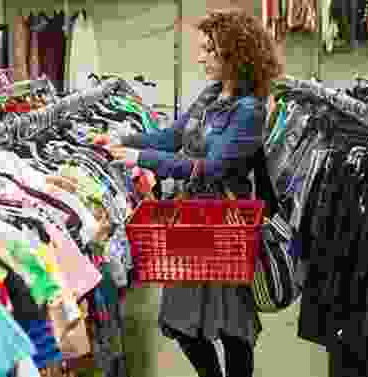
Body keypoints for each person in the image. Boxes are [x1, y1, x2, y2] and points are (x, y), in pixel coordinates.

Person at [109, 9, 282, 377]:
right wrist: (120, 141)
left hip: (228, 224)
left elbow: (211, 167)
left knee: (233, 327)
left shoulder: (249, 110)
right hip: (190, 219)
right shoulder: (209, 95)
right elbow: (173, 137)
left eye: (209, 50)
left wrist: (141, 157)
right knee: (181, 321)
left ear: (235, 54)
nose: (201, 57)